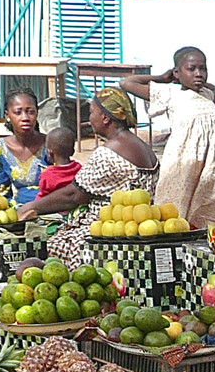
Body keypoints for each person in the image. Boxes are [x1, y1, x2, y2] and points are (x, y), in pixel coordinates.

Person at [23, 89, 158, 262]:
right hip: (134, 223)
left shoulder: (108, 152)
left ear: (105, 118)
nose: (90, 118)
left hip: (107, 229)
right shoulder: (144, 147)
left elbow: (74, 195)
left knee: (49, 248)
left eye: (92, 112)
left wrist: (30, 207)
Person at [120, 47, 215, 230]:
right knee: (176, 208)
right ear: (176, 72)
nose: (198, 73)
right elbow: (127, 83)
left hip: (212, 165)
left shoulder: (206, 94)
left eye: (203, 69)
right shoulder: (170, 93)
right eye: (191, 69)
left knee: (210, 208)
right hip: (184, 163)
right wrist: (162, 78)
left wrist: (198, 81)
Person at [0, 87, 48, 205]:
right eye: (18, 112)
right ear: (7, 115)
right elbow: (1, 193)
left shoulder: (51, 144)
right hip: (19, 210)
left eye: (30, 112)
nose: (25, 118)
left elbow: (65, 186)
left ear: (37, 113)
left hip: (53, 209)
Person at [37, 126, 81, 198]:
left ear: (49, 153)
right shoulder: (79, 168)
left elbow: (42, 196)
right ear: (73, 151)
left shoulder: (48, 175)